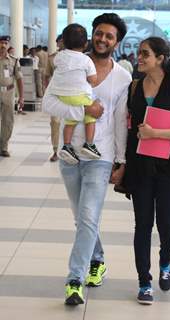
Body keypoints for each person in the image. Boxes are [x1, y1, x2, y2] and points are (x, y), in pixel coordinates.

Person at [42, 13, 131, 305]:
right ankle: (98, 260)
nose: (103, 39)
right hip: (71, 154)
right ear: (92, 34)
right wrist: (83, 111)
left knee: (88, 216)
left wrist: (121, 160)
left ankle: (74, 280)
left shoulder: (122, 76)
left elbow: (119, 120)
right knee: (82, 219)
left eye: (110, 36)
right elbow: (49, 103)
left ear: (117, 42)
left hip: (100, 154)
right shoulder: (70, 64)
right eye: (100, 33)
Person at [124, 37, 170, 304]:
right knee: (142, 225)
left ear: (160, 58)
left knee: (167, 224)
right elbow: (131, 131)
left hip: (169, 168)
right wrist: (123, 166)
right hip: (141, 167)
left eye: (145, 54)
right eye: (139, 53)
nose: (139, 58)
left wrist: (156, 133)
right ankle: (144, 281)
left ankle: (165, 264)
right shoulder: (135, 87)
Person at [48, 23, 101, 164]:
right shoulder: (86, 60)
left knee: (70, 121)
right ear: (85, 44)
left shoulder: (58, 57)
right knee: (91, 116)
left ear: (63, 42)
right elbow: (93, 80)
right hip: (79, 96)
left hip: (62, 96)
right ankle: (89, 144)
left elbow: (57, 67)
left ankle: (66, 145)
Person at [0, 35, 24, 157]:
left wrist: (21, 97)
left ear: (8, 45)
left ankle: (4, 147)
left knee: (8, 121)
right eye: (1, 43)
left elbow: (19, 79)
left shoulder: (14, 61)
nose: (3, 45)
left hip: (8, 93)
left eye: (5, 43)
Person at [45, 34, 64, 162]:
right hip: (56, 96)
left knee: (72, 122)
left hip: (73, 96)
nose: (63, 43)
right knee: (55, 123)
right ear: (57, 43)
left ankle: (70, 149)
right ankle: (55, 150)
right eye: (61, 41)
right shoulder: (52, 58)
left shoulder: (77, 58)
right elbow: (47, 75)